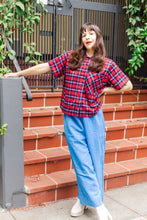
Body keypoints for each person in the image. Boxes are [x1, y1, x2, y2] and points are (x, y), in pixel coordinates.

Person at [5, 23, 133, 220]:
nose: (87, 37)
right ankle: (98, 204)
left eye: (91, 33)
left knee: (95, 161)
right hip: (72, 118)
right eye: (83, 34)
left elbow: (128, 85)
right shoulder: (71, 58)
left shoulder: (106, 64)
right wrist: (19, 73)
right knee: (82, 161)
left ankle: (82, 200)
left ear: (98, 37)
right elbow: (45, 67)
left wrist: (106, 90)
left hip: (93, 119)